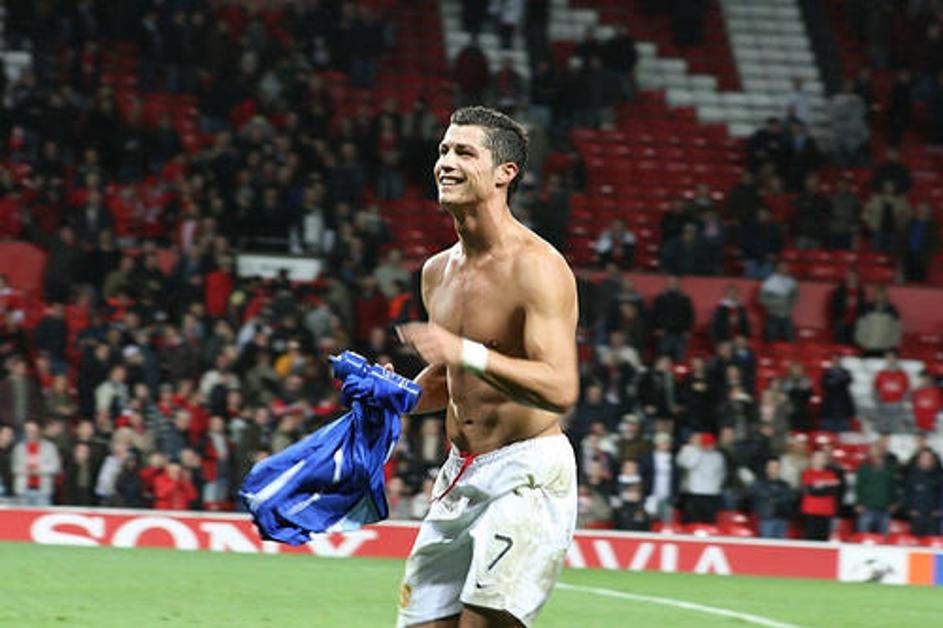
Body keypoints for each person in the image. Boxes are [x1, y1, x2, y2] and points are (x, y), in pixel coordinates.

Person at [394, 107, 579, 628]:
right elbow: (451, 379)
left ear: (505, 173)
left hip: (525, 473)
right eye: (443, 151)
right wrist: (394, 399)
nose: (446, 163)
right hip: (460, 472)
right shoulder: (436, 272)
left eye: (464, 152)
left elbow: (560, 388)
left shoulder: (537, 267)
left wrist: (463, 352)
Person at [855, 444, 898, 535]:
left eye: (878, 449)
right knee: (864, 536)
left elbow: (893, 486)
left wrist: (894, 502)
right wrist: (858, 503)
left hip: (885, 508)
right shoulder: (864, 467)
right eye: (873, 449)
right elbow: (859, 487)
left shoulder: (890, 468)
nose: (876, 452)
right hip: (867, 507)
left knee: (883, 538)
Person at [800, 449, 840, 541]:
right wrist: (827, 485)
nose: (819, 460)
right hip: (810, 511)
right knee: (810, 539)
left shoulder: (831, 474)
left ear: (826, 460)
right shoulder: (807, 473)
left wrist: (819, 485)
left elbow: (834, 491)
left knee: (824, 540)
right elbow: (810, 491)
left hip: (826, 512)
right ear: (812, 459)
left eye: (822, 458)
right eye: (817, 457)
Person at [751, 458, 794, 538]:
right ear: (766, 469)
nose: (774, 469)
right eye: (772, 467)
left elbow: (788, 497)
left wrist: (773, 499)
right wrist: (778, 497)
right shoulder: (759, 483)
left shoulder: (785, 484)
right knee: (766, 543)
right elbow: (763, 494)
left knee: (780, 544)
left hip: (782, 518)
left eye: (777, 467)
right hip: (767, 518)